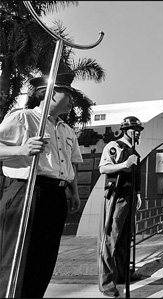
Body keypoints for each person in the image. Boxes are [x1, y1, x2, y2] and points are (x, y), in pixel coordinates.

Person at [0, 73, 82, 298]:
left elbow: (70, 163)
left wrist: (73, 192)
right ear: (51, 93)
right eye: (68, 93)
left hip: (55, 195)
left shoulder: (66, 129)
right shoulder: (24, 118)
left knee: (43, 261)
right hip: (27, 192)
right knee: (17, 259)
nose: (72, 98)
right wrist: (21, 149)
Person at [97, 116, 144, 297]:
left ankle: (122, 275)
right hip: (116, 196)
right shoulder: (114, 146)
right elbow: (103, 168)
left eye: (139, 131)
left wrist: (138, 193)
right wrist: (125, 164)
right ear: (126, 130)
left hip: (130, 196)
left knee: (125, 237)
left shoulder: (134, 151)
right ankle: (107, 283)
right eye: (135, 131)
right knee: (111, 239)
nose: (137, 134)